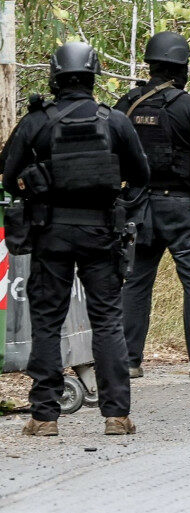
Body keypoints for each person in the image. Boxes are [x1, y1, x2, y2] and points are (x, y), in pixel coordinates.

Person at [2, 41, 150, 436]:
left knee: (47, 322)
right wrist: (118, 204)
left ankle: (44, 417)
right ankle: (116, 416)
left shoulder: (37, 122)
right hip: (101, 233)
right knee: (107, 320)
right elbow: (141, 177)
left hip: (50, 234)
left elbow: (8, 177)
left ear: (55, 77)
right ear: (93, 76)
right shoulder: (114, 121)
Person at [114, 31, 190, 380]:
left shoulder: (128, 103)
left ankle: (128, 361)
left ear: (151, 65)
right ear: (182, 68)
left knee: (135, 283)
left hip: (137, 205)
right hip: (182, 207)